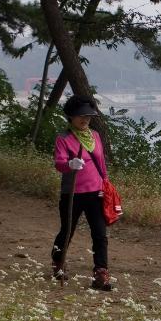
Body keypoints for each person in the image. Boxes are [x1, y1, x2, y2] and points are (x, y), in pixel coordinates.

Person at [52, 96, 113, 291]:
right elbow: (59, 164)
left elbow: (101, 162)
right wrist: (69, 164)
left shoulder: (94, 135)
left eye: (88, 116)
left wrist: (105, 183)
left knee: (100, 234)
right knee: (67, 230)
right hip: (72, 193)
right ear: (71, 116)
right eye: (80, 116)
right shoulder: (64, 138)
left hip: (95, 192)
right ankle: (58, 262)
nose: (85, 119)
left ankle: (100, 273)